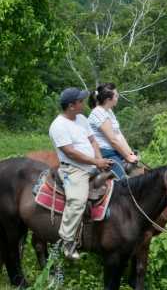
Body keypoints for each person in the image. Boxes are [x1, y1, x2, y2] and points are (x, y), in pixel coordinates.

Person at [49, 87, 112, 259]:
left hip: (93, 165)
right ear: (71, 106)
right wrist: (95, 162)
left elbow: (93, 141)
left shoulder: (82, 118)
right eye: (80, 101)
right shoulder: (58, 126)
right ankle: (67, 241)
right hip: (74, 169)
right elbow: (71, 152)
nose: (83, 103)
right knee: (77, 200)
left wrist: (100, 161)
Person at [86, 83, 139, 179]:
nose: (117, 97)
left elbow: (119, 135)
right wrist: (127, 157)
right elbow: (112, 140)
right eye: (116, 96)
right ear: (108, 100)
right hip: (105, 152)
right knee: (123, 181)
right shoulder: (98, 113)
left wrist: (130, 153)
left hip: (115, 150)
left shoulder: (108, 111)